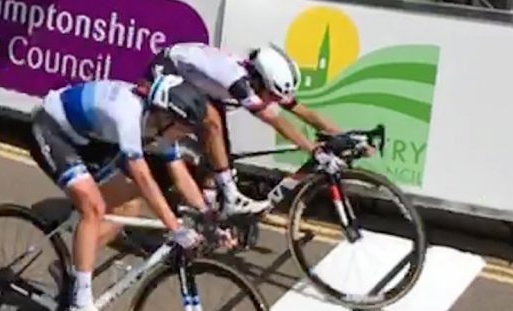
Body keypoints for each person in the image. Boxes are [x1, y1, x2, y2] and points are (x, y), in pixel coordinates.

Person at [28, 74, 219, 311]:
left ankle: (68, 267)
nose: (185, 135)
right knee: (92, 207)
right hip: (52, 129)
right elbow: (143, 177)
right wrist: (175, 227)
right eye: (184, 128)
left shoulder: (159, 123)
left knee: (129, 207)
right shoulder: (128, 115)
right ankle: (83, 302)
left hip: (91, 140)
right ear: (166, 116)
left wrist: (209, 215)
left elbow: (179, 173)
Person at [144, 42, 368, 216]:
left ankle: (206, 207)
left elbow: (304, 112)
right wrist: (314, 150)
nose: (273, 100)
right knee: (211, 122)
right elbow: (275, 120)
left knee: (221, 151)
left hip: (199, 84)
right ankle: (231, 197)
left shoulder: (263, 82)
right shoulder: (237, 80)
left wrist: (346, 137)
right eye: (270, 94)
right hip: (167, 71)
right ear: (259, 80)